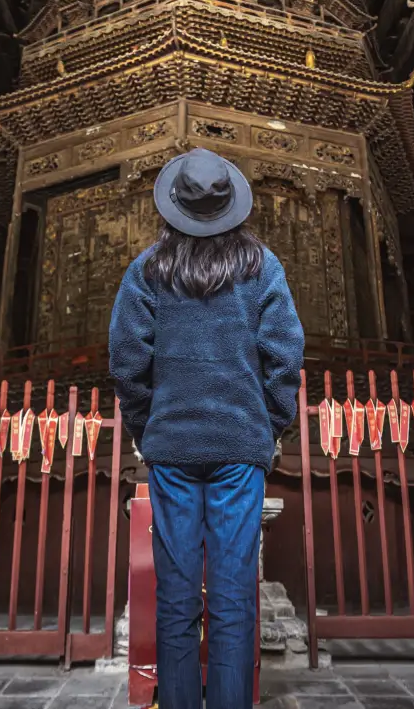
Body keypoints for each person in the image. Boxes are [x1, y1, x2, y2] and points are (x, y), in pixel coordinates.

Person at [109, 148, 304, 709]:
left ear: (174, 207)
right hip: (239, 449)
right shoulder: (261, 267)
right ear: (230, 206)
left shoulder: (146, 270)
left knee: (174, 593)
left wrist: (151, 429)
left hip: (171, 449)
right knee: (234, 593)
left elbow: (127, 362)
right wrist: (265, 427)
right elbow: (284, 359)